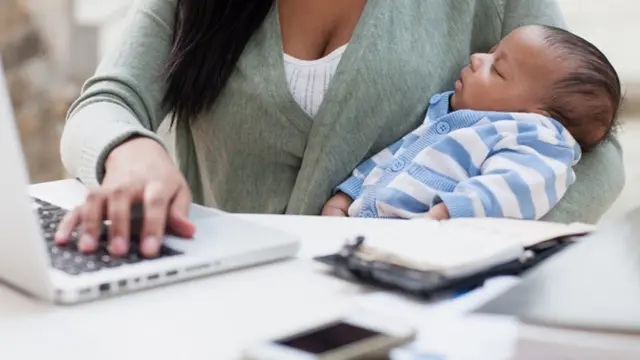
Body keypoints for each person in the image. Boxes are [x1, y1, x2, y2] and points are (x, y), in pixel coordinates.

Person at [55, 0, 625, 259]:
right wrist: (129, 151)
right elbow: (108, 102)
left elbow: (594, 152)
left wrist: (459, 248)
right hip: (213, 302)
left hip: (398, 318)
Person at [322, 25, 621, 221]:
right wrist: (348, 194)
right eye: (490, 53)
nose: (477, 59)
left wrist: (451, 213)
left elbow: (516, 186)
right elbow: (396, 155)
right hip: (363, 232)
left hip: (425, 248)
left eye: (497, 69)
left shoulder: (537, 137)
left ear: (538, 115)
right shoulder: (447, 116)